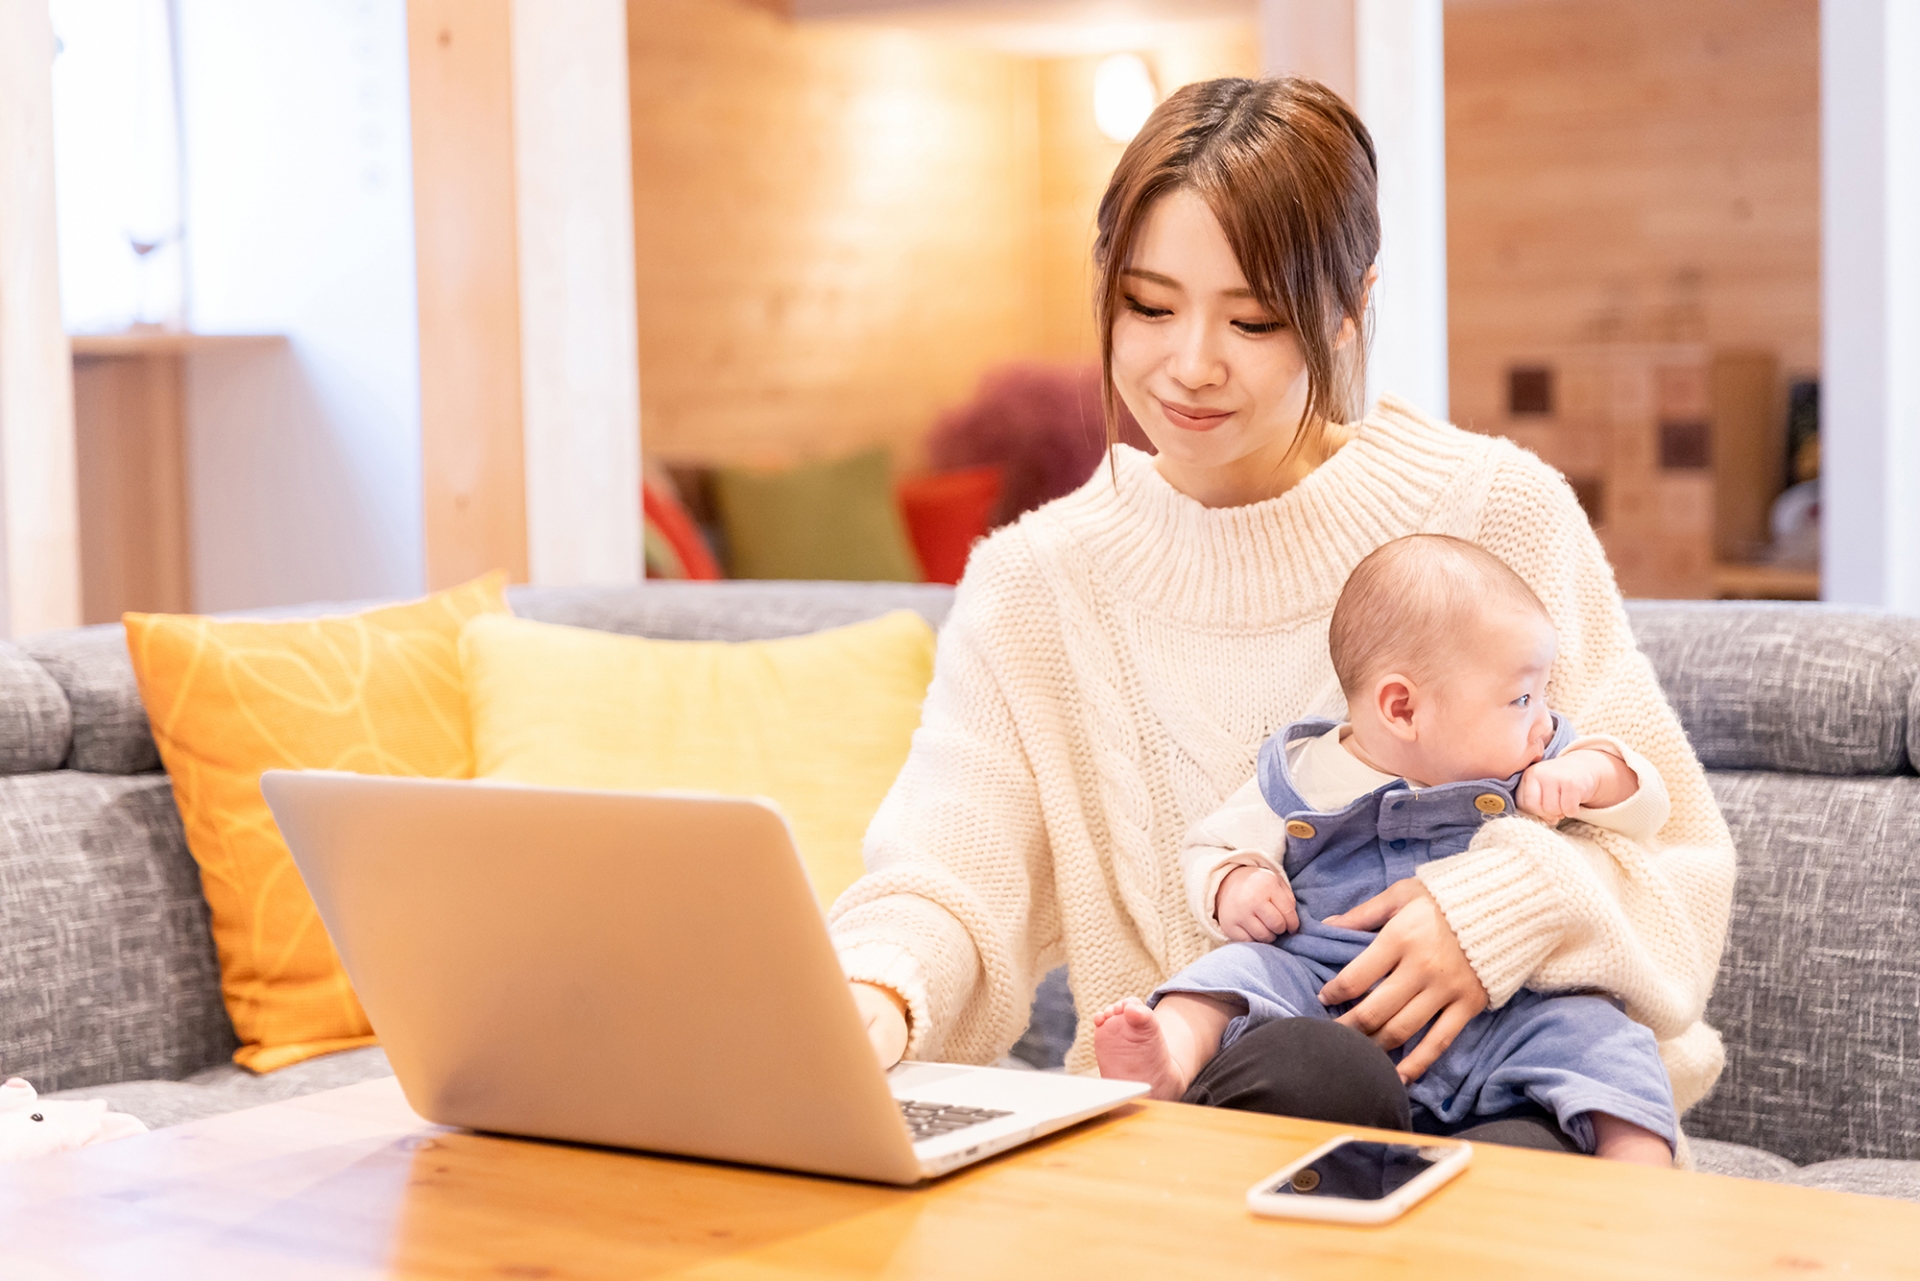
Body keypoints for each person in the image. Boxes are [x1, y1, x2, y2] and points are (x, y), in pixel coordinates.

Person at [827, 75, 1734, 1156]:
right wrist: (871, 998)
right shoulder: (1034, 583)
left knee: (1414, 1117)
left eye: (1252, 319)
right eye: (1148, 307)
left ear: (1348, 310)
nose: (1190, 365)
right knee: (1298, 1072)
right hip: (1208, 1127)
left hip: (1514, 1108)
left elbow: (1677, 863)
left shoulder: (1495, 515)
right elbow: (947, 877)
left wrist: (1500, 910)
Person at [1091, 534, 1676, 1165]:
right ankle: (1169, 1059)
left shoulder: (1534, 761)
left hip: (1506, 1010)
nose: (1544, 719)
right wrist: (1238, 879)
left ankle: (1638, 1170)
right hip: (1326, 982)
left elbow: (1650, 808)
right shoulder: (1302, 773)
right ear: (1402, 708)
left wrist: (1593, 774)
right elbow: (1215, 841)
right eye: (1521, 698)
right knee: (1227, 977)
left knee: (1602, 1038)